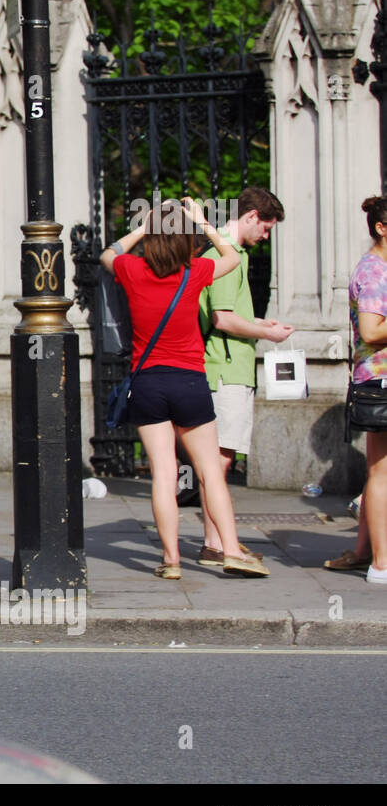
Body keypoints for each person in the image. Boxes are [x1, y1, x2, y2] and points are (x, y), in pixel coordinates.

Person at [102, 197, 266, 578]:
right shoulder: (194, 271)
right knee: (210, 471)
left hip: (147, 382)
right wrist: (203, 222)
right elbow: (233, 257)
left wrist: (147, 225)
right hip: (190, 380)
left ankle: (171, 560)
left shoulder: (132, 269)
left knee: (164, 472)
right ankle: (230, 551)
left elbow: (108, 253)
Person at [196, 187, 294, 565]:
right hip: (225, 368)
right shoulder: (228, 255)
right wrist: (266, 333)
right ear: (251, 217)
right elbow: (221, 318)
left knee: (220, 459)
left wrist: (257, 323)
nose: (265, 237)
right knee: (217, 462)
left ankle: (217, 540)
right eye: (266, 228)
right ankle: (215, 543)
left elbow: (228, 314)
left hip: (229, 365)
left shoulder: (230, 254)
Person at [333, 196, 387, 582]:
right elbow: (370, 332)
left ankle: (364, 551)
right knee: (381, 473)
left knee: (378, 471)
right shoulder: (373, 271)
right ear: (381, 228)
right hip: (382, 379)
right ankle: (381, 564)